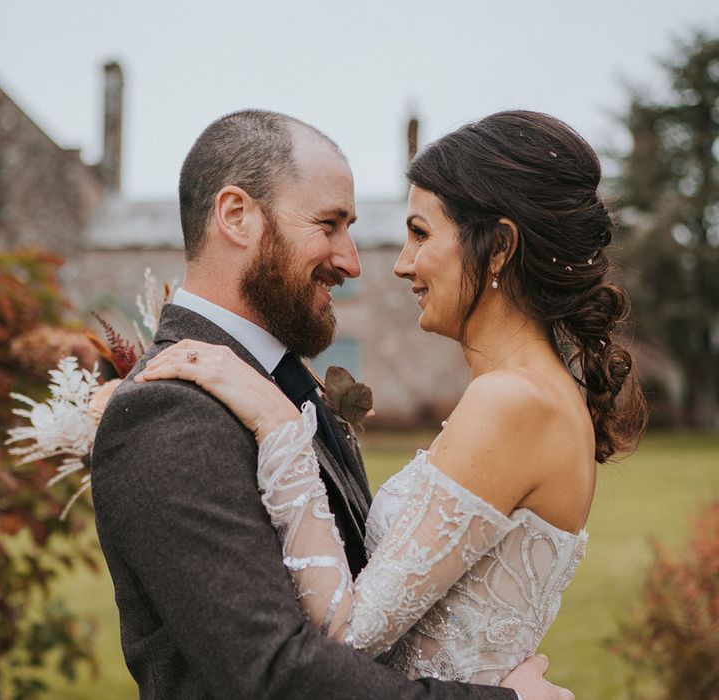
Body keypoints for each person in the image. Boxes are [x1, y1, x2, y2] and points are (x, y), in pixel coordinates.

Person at [133, 110, 647, 690]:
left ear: (498, 248)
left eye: (421, 233)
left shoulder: (513, 402)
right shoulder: (538, 396)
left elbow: (345, 635)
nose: (399, 263)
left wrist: (282, 428)